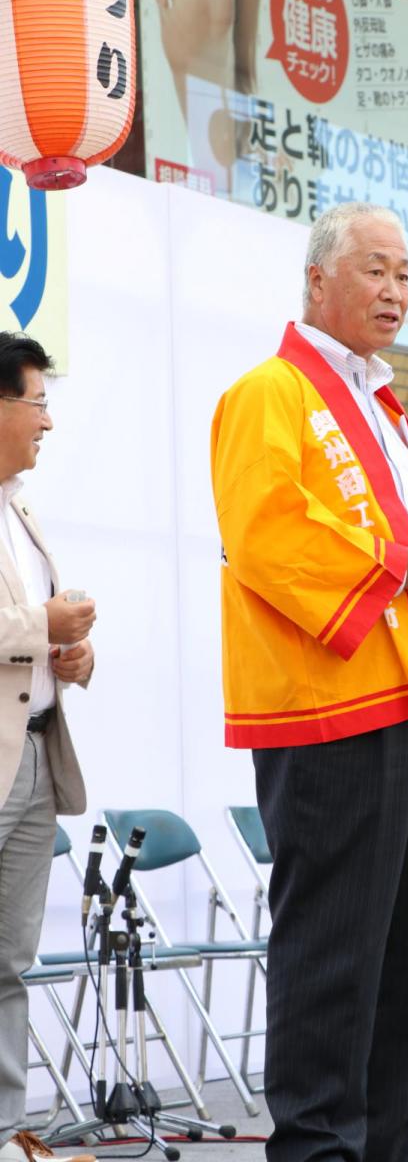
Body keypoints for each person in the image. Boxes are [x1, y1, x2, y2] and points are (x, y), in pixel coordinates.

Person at [210, 202, 408, 1162]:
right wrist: (396, 566)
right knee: (335, 938)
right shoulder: (270, 393)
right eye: (375, 270)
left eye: (406, 274)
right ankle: (317, 1145)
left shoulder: (385, 404)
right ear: (317, 280)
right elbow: (267, 538)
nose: (395, 292)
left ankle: (388, 1133)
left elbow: (392, 544)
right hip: (325, 700)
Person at [0, 333, 96, 1162]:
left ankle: (2, 1133)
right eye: (36, 402)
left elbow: (32, 636)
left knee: (8, 962)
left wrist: (73, 653)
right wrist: (41, 627)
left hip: (32, 753)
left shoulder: (20, 505)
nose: (48, 422)